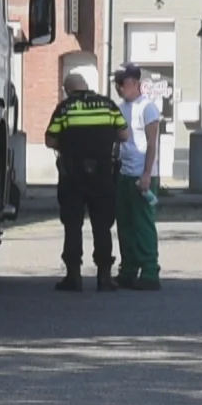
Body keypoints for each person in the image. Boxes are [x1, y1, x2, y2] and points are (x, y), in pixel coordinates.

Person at [44, 71, 130, 292]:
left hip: (72, 176)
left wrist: (68, 141)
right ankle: (104, 277)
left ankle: (74, 276)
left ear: (68, 90)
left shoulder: (65, 108)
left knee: (73, 225)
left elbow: (50, 139)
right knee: (102, 226)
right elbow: (124, 135)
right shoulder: (108, 105)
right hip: (102, 174)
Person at [113, 64, 163, 291]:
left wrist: (146, 174)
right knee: (125, 224)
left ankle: (150, 270)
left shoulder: (148, 108)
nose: (120, 88)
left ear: (135, 83)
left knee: (142, 224)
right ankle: (128, 269)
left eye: (123, 84)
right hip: (124, 173)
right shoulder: (121, 108)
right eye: (118, 84)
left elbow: (153, 144)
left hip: (141, 175)